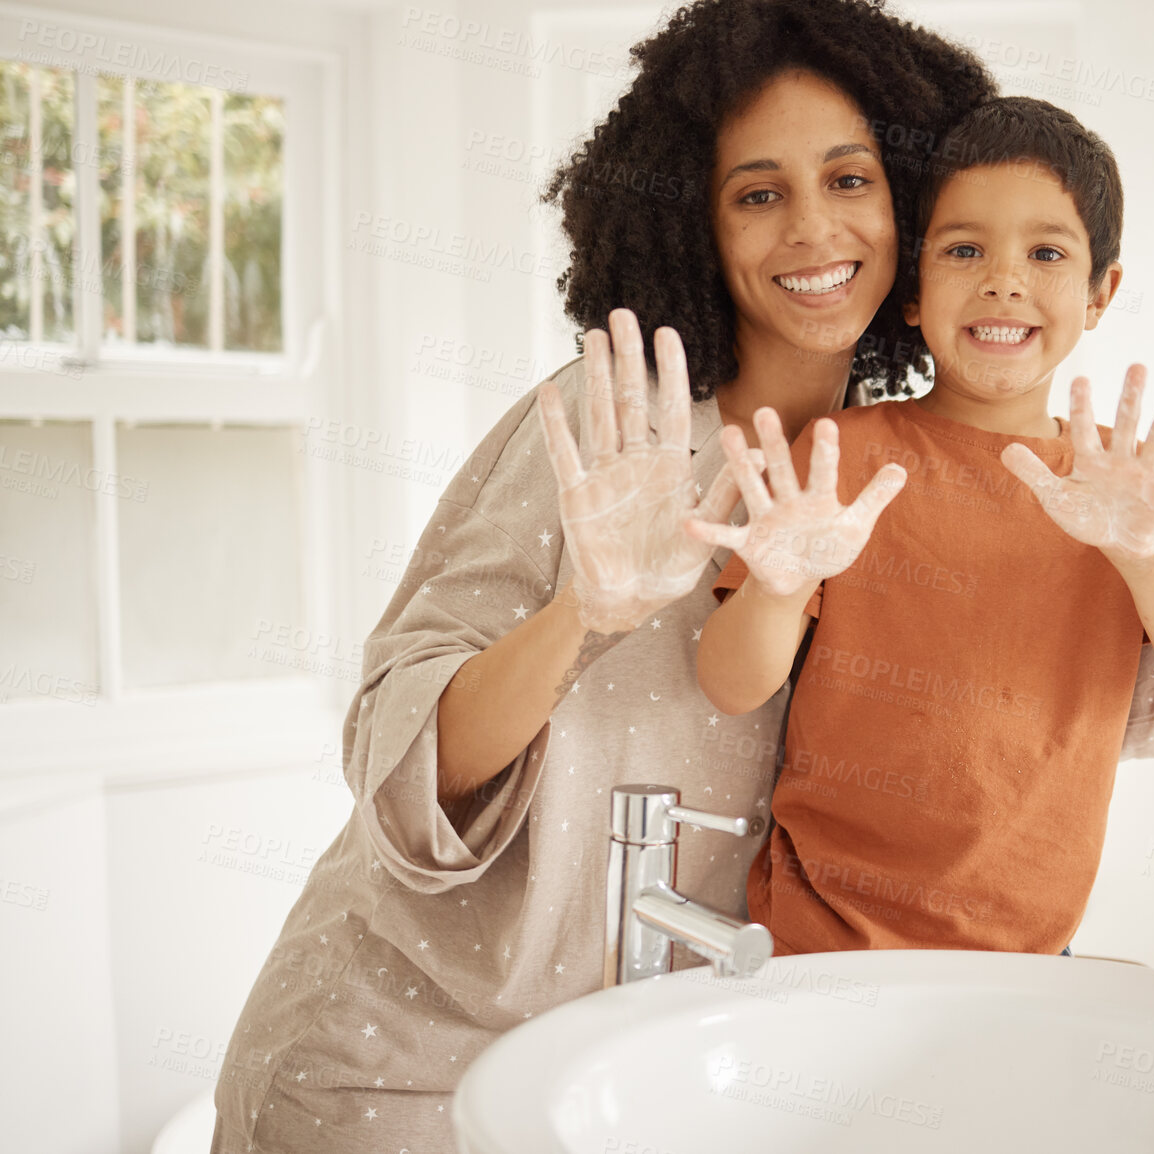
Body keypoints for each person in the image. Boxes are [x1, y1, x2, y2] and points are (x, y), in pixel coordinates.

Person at [209, 3, 995, 1149]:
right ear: (694, 223)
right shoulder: (613, 427)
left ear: (914, 201)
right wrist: (587, 615)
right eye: (759, 193)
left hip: (644, 1075)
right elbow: (396, 761)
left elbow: (1083, 688)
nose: (815, 229)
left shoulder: (890, 471)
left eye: (851, 178)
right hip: (401, 1066)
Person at [690, 97, 1154, 954]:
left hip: (1027, 960)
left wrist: (1146, 559)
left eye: (1045, 253)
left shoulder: (1122, 486)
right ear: (915, 292)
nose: (1004, 280)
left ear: (1099, 292)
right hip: (814, 943)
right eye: (964, 250)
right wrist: (778, 591)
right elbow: (730, 686)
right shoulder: (842, 458)